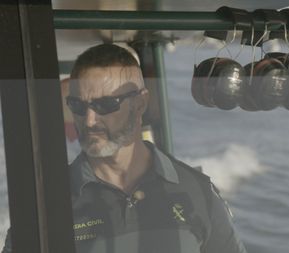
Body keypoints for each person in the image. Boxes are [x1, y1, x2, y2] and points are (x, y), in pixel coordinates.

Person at [2, 44, 247, 253]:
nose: (88, 120)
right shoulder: (43, 204)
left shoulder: (198, 192)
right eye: (77, 105)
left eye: (105, 105)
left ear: (140, 104)